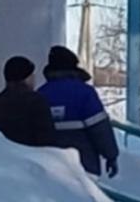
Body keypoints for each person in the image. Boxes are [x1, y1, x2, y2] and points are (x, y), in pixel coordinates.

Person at [37, 45, 119, 178]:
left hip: (49, 167)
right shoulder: (85, 93)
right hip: (84, 165)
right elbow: (100, 128)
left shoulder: (40, 94)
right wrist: (111, 156)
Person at [0, 56, 56, 147]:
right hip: (30, 154)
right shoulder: (36, 102)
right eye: (32, 75)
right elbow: (46, 138)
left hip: (0, 154)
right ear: (27, 78)